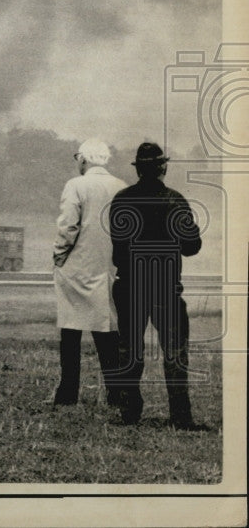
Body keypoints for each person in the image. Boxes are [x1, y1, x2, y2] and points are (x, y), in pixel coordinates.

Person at [109, 142, 207, 430]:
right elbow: (191, 247)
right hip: (166, 286)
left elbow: (118, 250)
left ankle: (129, 412)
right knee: (175, 352)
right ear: (163, 167)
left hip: (129, 285)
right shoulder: (175, 200)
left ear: (138, 169)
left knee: (129, 350)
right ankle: (180, 415)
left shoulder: (121, 200)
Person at [52, 138, 127, 406]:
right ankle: (116, 392)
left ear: (83, 159)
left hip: (77, 266)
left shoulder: (76, 185)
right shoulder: (121, 187)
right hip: (110, 267)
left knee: (70, 331)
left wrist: (59, 255)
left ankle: (67, 392)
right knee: (106, 329)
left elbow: (68, 226)